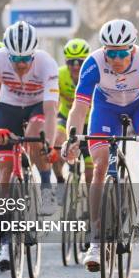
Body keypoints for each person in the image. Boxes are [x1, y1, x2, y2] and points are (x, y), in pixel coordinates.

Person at [62, 19, 139, 271]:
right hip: (105, 110)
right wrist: (72, 137)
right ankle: (96, 241)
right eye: (110, 52)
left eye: (121, 53)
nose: (115, 59)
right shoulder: (93, 63)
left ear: (132, 49)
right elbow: (79, 107)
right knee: (100, 167)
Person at [0, 21, 59, 270]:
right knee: (4, 168)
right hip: (9, 107)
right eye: (16, 58)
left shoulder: (47, 63)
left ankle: (46, 185)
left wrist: (47, 143)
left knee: (34, 134)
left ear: (34, 53)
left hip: (38, 106)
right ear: (8, 54)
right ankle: (6, 243)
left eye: (26, 58)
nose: (21, 63)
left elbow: (51, 110)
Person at [53, 38, 93, 185]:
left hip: (90, 122)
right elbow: (52, 102)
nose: (75, 67)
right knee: (56, 146)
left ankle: (89, 203)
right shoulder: (59, 75)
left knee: (90, 170)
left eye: (80, 62)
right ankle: (60, 182)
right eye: (71, 62)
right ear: (65, 62)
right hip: (66, 118)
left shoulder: (94, 75)